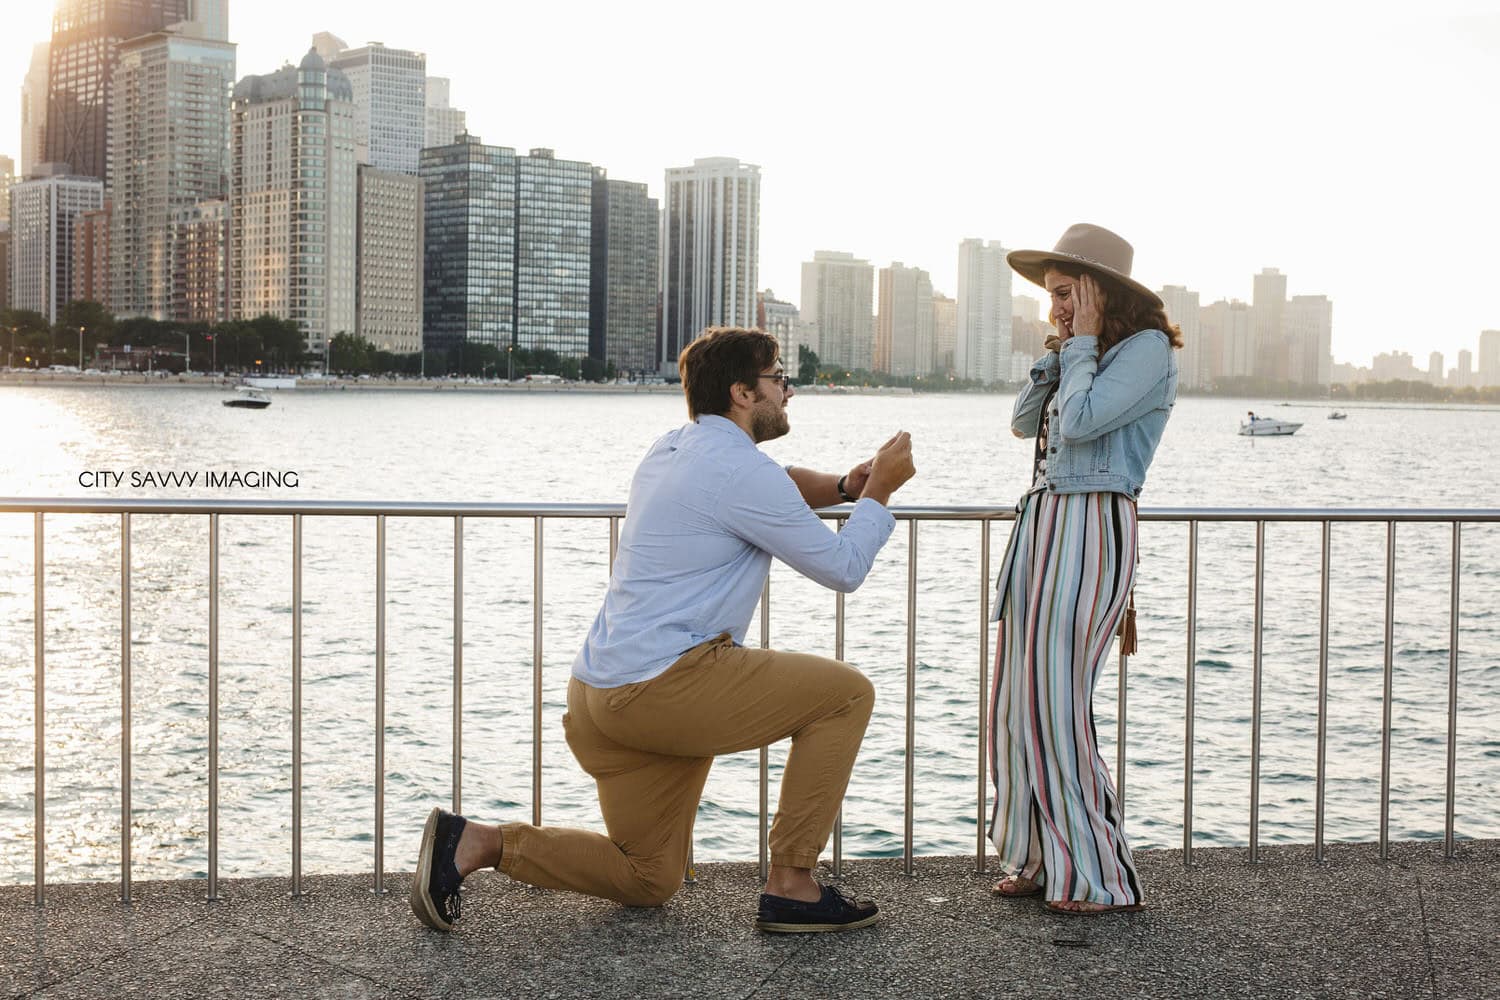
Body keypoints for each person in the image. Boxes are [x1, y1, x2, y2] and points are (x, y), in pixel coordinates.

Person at [410, 326, 917, 934]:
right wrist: (881, 491)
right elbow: (842, 568)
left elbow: (776, 485)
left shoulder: (672, 448)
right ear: (741, 392)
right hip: (663, 688)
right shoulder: (739, 473)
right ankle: (792, 884)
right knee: (847, 695)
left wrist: (842, 488)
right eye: (778, 378)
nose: (789, 391)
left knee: (648, 877)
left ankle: (477, 843)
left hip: (599, 694)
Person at [987, 224, 1181, 915]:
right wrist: (1065, 348)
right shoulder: (1083, 353)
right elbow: (1023, 422)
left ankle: (1098, 875)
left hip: (1089, 524)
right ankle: (1041, 857)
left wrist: (1081, 346)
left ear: (1103, 292)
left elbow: (1083, 423)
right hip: (1044, 524)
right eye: (1051, 296)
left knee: (1055, 705)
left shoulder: (1145, 351)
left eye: (1067, 293)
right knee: (1016, 703)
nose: (1055, 308)